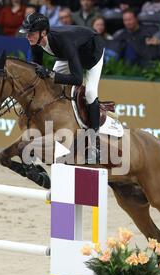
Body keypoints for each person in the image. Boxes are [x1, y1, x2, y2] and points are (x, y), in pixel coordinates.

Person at [19, 12, 105, 163]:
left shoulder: (63, 42)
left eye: (30, 33)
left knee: (90, 93)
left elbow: (78, 79)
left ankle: (94, 143)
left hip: (92, 53)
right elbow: (37, 71)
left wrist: (51, 74)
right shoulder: (36, 42)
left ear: (43, 32)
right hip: (70, 54)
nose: (27, 37)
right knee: (49, 82)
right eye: (27, 33)